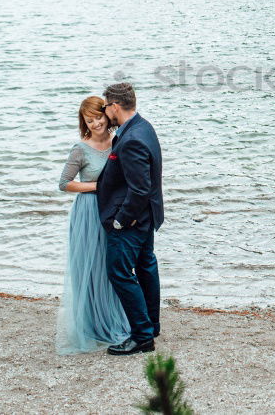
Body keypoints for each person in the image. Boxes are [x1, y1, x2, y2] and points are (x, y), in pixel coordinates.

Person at [55, 96, 131, 354]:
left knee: (111, 265)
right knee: (90, 268)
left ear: (106, 115)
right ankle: (92, 324)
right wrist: (98, 187)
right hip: (89, 212)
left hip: (113, 211)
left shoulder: (118, 141)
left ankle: (113, 318)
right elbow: (64, 183)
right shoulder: (80, 149)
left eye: (98, 117)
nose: (96, 123)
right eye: (90, 120)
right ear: (84, 123)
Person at [96, 82, 164, 356]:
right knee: (146, 266)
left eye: (105, 107)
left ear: (114, 106)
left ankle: (142, 336)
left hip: (132, 220)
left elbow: (140, 188)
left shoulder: (132, 138)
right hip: (148, 216)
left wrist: (121, 220)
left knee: (120, 273)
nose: (104, 112)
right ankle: (151, 325)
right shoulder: (143, 126)